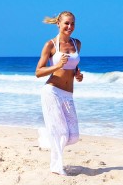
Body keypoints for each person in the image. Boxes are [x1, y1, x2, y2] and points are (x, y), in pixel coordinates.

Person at [35, 11, 83, 175]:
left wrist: (77, 74)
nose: (70, 27)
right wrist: (57, 66)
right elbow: (38, 72)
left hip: (68, 95)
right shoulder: (50, 45)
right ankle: (56, 167)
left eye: (72, 24)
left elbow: (74, 65)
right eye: (66, 23)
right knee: (62, 133)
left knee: (74, 136)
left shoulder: (77, 43)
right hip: (52, 91)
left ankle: (47, 137)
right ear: (59, 24)